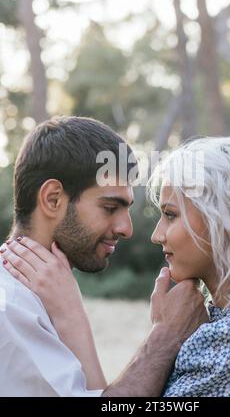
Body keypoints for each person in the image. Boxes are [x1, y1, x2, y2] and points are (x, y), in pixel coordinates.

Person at [3, 136, 230, 397]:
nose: (155, 235)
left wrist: (164, 334)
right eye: (109, 207)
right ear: (51, 198)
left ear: (223, 221)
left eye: (171, 215)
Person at [0, 116, 207, 397]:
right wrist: (166, 336)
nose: (127, 229)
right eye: (110, 207)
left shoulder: (38, 300)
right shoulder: (11, 311)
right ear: (52, 199)